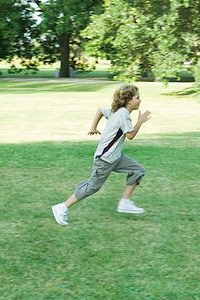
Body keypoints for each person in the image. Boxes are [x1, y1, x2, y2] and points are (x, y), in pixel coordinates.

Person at [52, 84, 152, 225]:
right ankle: (61, 207)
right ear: (129, 100)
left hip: (115, 157)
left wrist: (93, 127)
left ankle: (124, 202)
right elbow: (130, 135)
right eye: (137, 98)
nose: (140, 100)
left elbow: (100, 110)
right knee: (92, 187)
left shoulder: (117, 111)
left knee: (138, 170)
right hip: (105, 159)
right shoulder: (123, 114)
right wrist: (140, 121)